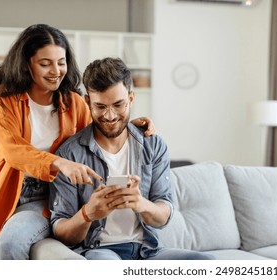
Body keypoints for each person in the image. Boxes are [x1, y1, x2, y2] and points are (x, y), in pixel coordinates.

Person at [0, 24, 155, 260]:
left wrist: (124, 123)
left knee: (9, 246)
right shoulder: (5, 98)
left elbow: (95, 131)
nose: (56, 70)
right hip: (2, 192)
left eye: (61, 62)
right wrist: (61, 163)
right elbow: (13, 151)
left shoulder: (73, 102)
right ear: (27, 64)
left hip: (47, 197)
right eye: (45, 64)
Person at [49, 57, 215, 260]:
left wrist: (141, 203)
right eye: (100, 107)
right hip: (100, 251)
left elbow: (164, 214)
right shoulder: (69, 154)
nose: (110, 116)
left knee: (207, 263)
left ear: (131, 98)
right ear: (87, 102)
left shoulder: (153, 145)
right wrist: (87, 213)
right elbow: (62, 232)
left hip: (149, 250)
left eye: (119, 105)